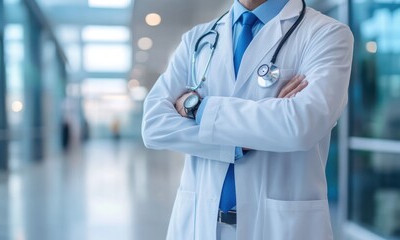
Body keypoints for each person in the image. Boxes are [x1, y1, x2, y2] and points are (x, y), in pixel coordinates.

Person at [142, 0, 354, 239]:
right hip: (199, 223)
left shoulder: (327, 34)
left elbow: (301, 125)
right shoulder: (197, 39)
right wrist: (239, 142)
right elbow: (154, 125)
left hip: (281, 227)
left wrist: (198, 108)